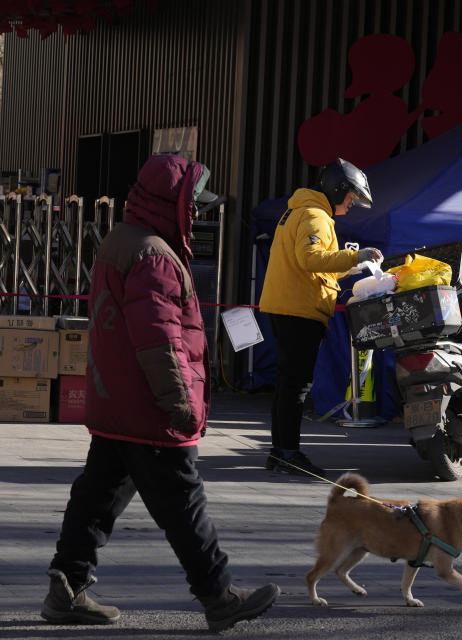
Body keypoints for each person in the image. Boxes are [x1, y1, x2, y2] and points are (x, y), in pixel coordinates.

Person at [41, 154, 279, 633]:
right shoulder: (154, 254)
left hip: (116, 402)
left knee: (96, 497)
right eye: (195, 204)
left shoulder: (123, 240)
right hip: (149, 406)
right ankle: (218, 595)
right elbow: (160, 339)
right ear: (174, 203)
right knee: (182, 503)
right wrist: (182, 406)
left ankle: (66, 586)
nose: (199, 214)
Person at [259, 158, 383, 477]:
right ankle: (288, 453)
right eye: (351, 197)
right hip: (298, 309)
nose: (351, 204)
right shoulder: (315, 216)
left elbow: (318, 264)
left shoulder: (300, 211)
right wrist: (358, 254)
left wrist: (353, 266)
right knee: (296, 386)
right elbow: (310, 258)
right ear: (338, 189)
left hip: (285, 305)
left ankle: (280, 452)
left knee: (288, 385)